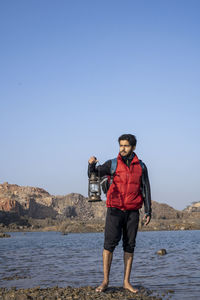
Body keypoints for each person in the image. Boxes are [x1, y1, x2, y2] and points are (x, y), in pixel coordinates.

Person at [88, 134, 151, 293]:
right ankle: (105, 281)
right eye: (121, 145)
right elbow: (93, 175)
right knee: (109, 245)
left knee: (129, 246)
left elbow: (146, 189)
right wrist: (91, 165)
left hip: (132, 212)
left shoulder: (141, 167)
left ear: (133, 147)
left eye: (126, 146)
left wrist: (148, 210)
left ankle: (126, 282)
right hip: (114, 210)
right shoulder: (112, 164)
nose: (122, 148)